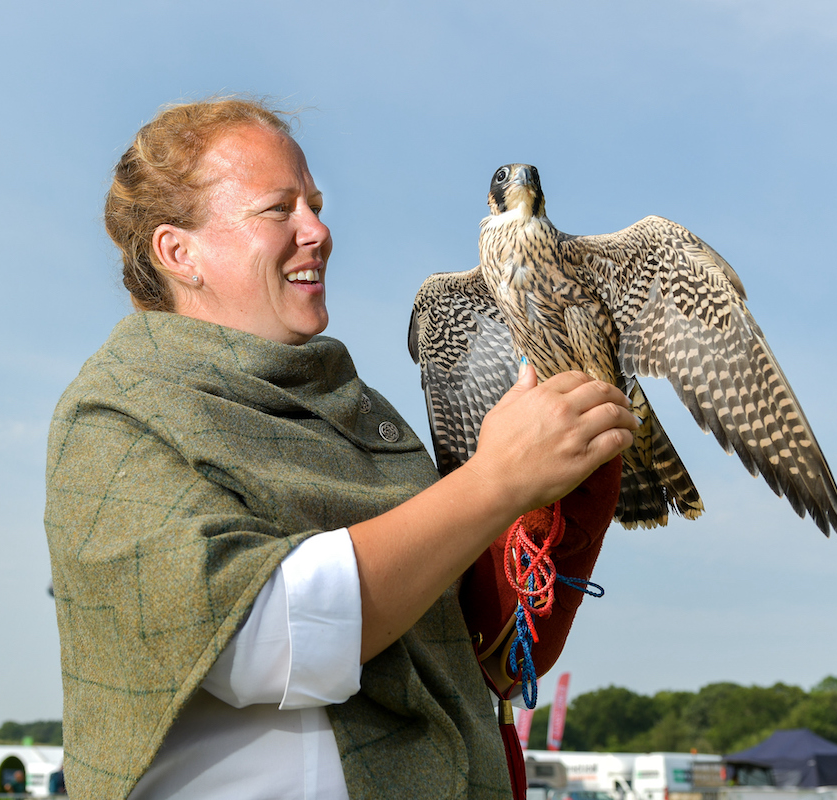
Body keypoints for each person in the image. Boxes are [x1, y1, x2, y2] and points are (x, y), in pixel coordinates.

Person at [44, 96, 637, 800]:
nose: (318, 231)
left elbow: (473, 662)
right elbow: (263, 640)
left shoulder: (361, 415)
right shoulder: (119, 412)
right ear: (180, 251)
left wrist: (524, 545)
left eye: (317, 205)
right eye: (279, 209)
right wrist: (494, 484)